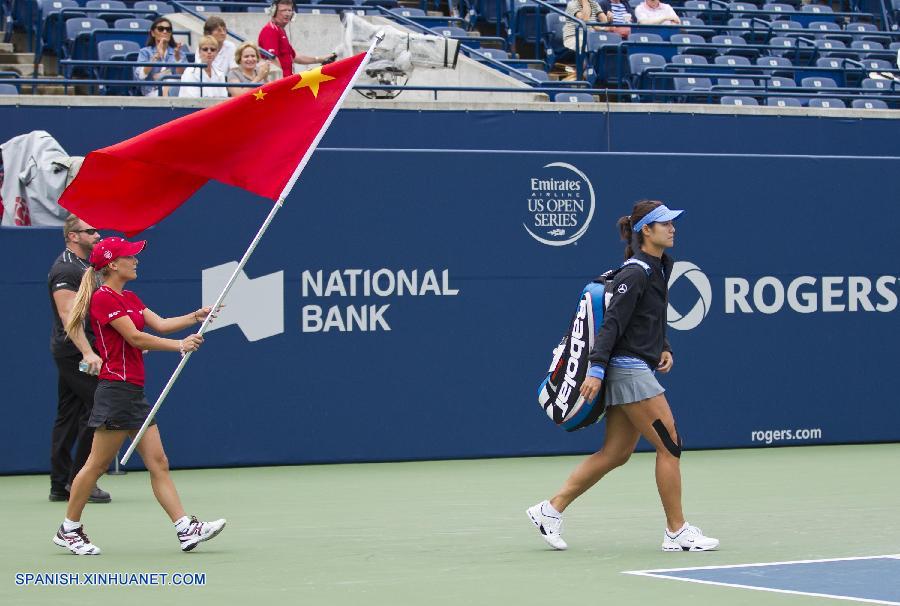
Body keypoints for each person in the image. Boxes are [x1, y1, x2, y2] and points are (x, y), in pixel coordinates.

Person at [527, 200, 719, 553]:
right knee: (670, 445)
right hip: (628, 370)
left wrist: (664, 346)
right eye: (665, 224)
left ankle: (549, 510)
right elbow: (613, 323)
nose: (673, 228)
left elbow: (649, 317)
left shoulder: (659, 267)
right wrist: (596, 370)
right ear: (646, 230)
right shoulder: (635, 272)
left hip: (637, 365)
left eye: (673, 223)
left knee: (616, 453)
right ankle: (676, 532)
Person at [53, 237, 225, 555]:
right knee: (96, 465)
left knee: (158, 462)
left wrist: (196, 316)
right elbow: (134, 337)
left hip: (133, 393)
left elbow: (159, 324)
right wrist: (179, 346)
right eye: (130, 256)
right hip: (115, 391)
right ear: (113, 265)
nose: (136, 260)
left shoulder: (129, 296)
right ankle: (69, 529)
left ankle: (185, 529)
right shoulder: (103, 299)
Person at [48, 215, 110, 504]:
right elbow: (67, 315)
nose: (97, 235)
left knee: (69, 414)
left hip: (82, 349)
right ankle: (79, 482)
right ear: (73, 236)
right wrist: (88, 352)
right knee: (100, 408)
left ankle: (61, 484)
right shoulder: (66, 269)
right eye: (91, 231)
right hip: (76, 352)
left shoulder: (88, 268)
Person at [257, 0, 336, 78]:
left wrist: (319, 59)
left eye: (289, 10)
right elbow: (272, 60)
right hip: (282, 83)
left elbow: (294, 57)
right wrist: (286, 80)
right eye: (283, 10)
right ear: (273, 12)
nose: (287, 14)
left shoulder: (280, 30)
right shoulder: (270, 31)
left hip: (286, 80)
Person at [135, 17, 187, 96]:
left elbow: (184, 76)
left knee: (172, 82)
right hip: (152, 91)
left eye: (168, 29)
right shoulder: (145, 52)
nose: (165, 31)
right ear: (153, 33)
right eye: (161, 29)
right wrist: (156, 57)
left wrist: (177, 58)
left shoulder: (179, 53)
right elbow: (140, 76)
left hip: (175, 91)